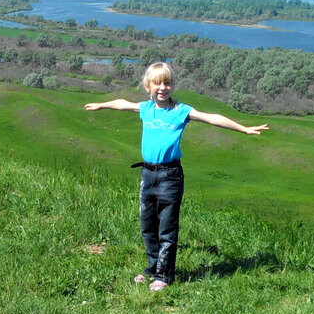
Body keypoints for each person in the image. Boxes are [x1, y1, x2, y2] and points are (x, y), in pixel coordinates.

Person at [84, 62, 269, 292]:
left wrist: (244, 129)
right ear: (147, 86)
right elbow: (122, 104)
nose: (162, 87)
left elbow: (212, 117)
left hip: (170, 176)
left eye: (167, 82)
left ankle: (164, 275)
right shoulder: (146, 109)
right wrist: (102, 105)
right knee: (147, 226)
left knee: (167, 228)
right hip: (147, 173)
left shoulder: (181, 111)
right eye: (157, 83)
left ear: (173, 86)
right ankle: (152, 268)